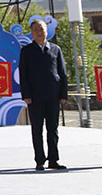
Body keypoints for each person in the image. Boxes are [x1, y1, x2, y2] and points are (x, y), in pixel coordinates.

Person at [19, 18, 68, 171]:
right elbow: (23, 75)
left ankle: (53, 160)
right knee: (37, 130)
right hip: (34, 96)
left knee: (53, 129)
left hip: (53, 95)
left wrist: (63, 94)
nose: (40, 33)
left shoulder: (55, 49)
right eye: (36, 30)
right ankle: (39, 160)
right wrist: (26, 94)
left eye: (42, 29)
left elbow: (62, 73)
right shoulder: (26, 51)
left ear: (47, 31)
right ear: (32, 33)